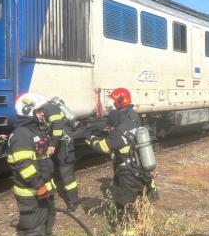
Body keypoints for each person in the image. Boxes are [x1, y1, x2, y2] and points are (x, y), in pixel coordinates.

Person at [85, 88, 158, 226]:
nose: (112, 104)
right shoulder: (133, 115)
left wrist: (90, 138)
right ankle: (140, 222)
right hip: (138, 165)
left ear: (120, 101)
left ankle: (127, 233)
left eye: (114, 101)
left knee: (124, 203)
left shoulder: (120, 130)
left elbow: (103, 147)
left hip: (127, 170)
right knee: (138, 197)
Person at [8, 93, 55, 236]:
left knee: (44, 229)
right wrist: (39, 186)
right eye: (39, 110)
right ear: (28, 111)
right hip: (31, 194)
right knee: (33, 233)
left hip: (42, 191)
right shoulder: (21, 134)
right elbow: (24, 166)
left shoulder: (33, 131)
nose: (42, 113)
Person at [42, 100, 79, 212]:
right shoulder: (45, 110)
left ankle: (74, 202)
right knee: (57, 172)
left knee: (67, 175)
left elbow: (57, 126)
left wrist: (52, 144)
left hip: (64, 147)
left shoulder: (49, 108)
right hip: (60, 145)